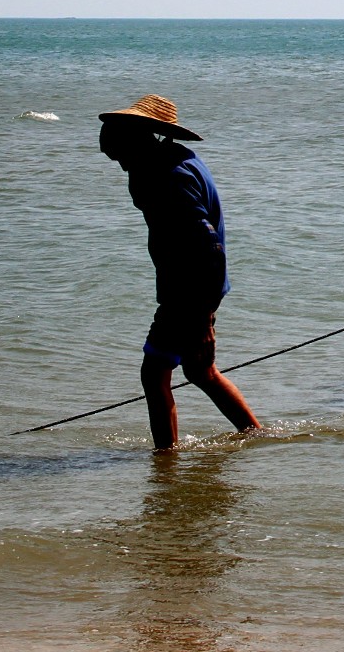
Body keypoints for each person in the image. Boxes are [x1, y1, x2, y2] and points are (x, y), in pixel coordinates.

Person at [97, 94, 260, 450]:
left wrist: (202, 318)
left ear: (138, 138)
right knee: (200, 371)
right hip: (192, 286)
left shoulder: (166, 175)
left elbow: (207, 245)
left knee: (154, 374)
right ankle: (256, 435)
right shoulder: (174, 159)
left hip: (190, 289)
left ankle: (165, 461)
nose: (119, 163)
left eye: (119, 154)